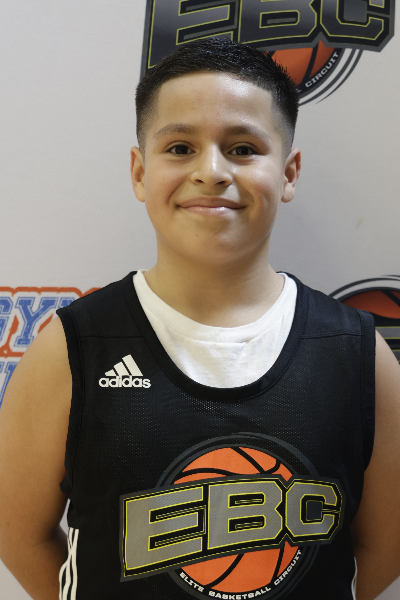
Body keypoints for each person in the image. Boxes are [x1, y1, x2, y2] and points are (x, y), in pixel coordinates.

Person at [0, 37, 400, 600]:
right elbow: (17, 532)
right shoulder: (73, 348)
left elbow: (384, 545)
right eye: (181, 147)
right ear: (140, 172)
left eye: (243, 148)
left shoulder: (356, 353)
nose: (211, 171)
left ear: (289, 173)